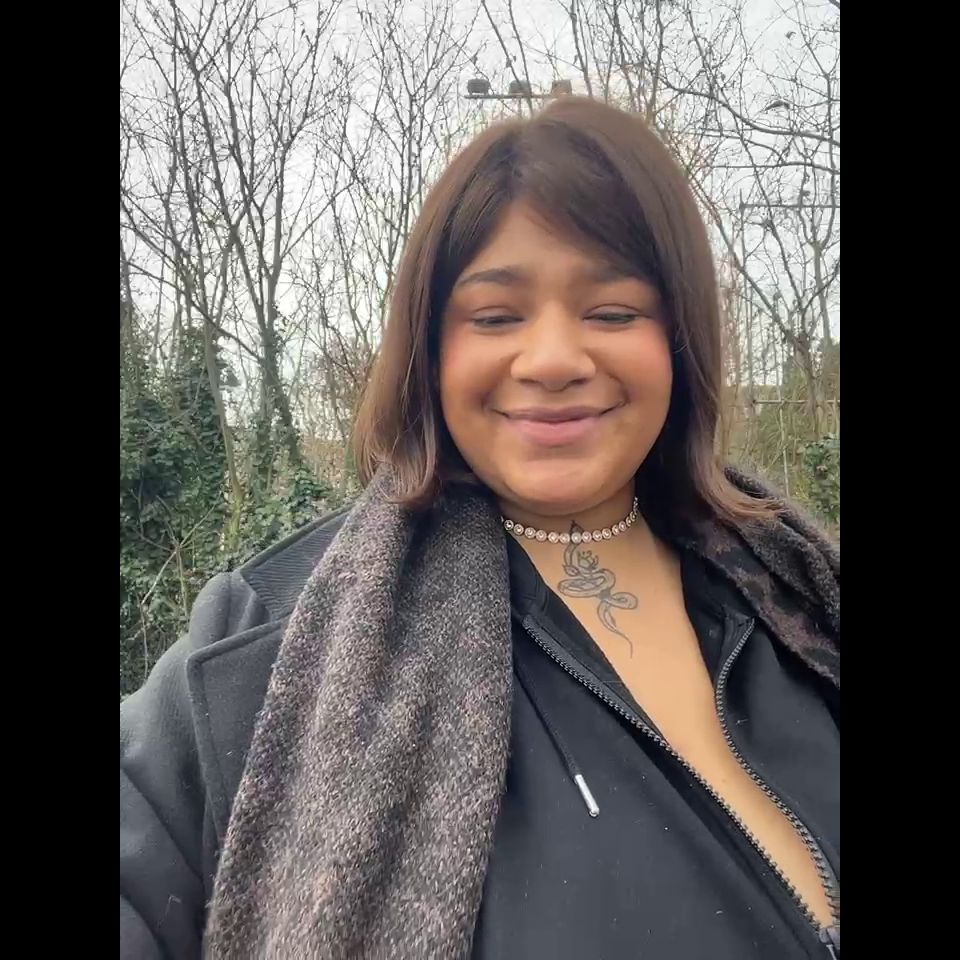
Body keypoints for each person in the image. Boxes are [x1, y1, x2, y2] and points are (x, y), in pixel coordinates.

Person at [120, 96, 839, 959]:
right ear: (430, 349)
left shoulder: (799, 590)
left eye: (614, 312)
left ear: (682, 342)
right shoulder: (271, 644)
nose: (554, 360)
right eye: (495, 316)